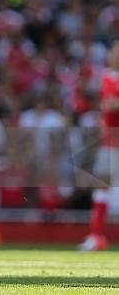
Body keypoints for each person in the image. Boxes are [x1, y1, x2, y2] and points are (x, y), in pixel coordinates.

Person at [79, 38, 119, 251]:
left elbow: (112, 105)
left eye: (117, 51)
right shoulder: (107, 76)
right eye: (113, 50)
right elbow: (109, 106)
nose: (113, 54)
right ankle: (96, 236)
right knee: (102, 188)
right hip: (110, 143)